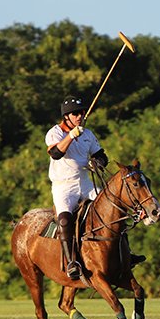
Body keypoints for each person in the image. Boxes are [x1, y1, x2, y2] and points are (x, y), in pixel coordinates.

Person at [46, 96, 109, 279]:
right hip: (63, 186)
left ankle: (124, 254)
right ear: (66, 116)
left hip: (85, 182)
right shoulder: (55, 133)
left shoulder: (88, 134)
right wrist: (72, 136)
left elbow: (101, 155)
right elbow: (56, 153)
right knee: (65, 219)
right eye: (76, 113)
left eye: (81, 113)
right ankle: (72, 262)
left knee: (110, 208)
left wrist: (97, 162)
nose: (80, 116)